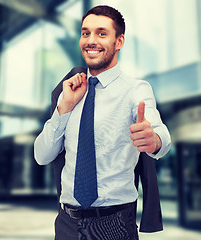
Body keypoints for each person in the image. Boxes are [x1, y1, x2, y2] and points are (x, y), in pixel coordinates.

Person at [34, 5, 171, 240]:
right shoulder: (69, 91)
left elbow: (161, 135)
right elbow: (41, 155)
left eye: (101, 33)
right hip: (66, 223)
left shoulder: (135, 90)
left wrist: (154, 140)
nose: (91, 40)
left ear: (119, 41)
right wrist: (64, 108)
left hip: (113, 225)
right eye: (85, 33)